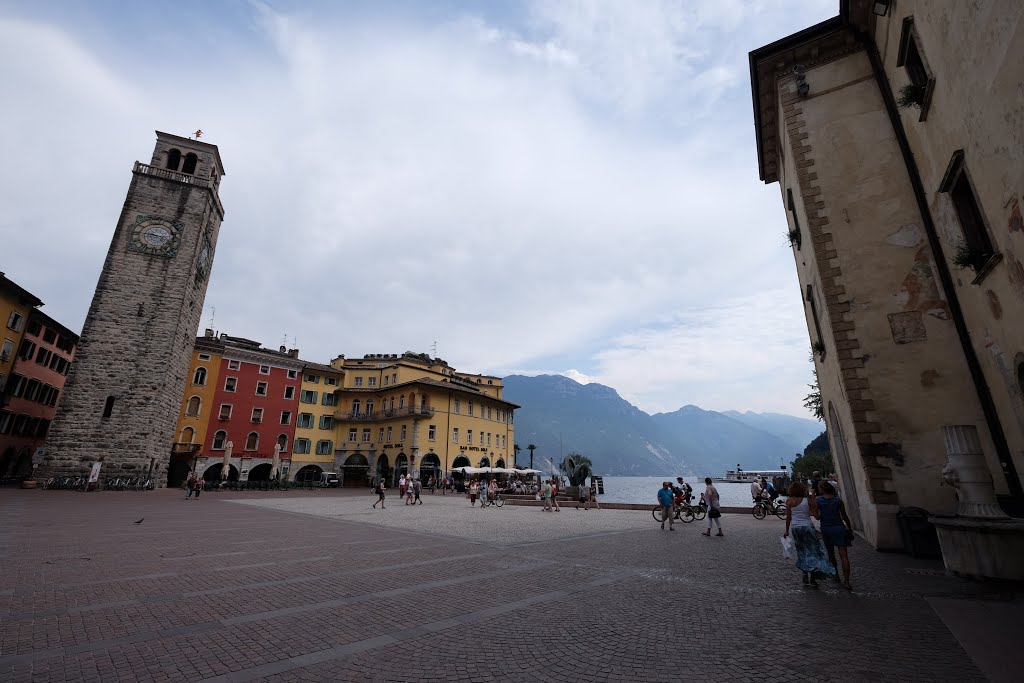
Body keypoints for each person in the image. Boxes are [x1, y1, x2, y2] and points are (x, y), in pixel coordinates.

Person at [783, 481, 835, 588]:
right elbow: (816, 516)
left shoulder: (789, 501)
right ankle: (813, 579)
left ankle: (805, 574)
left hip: (796, 528)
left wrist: (786, 530)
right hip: (807, 527)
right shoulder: (808, 501)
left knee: (802, 551)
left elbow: (788, 518)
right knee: (813, 552)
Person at [815, 481, 854, 590]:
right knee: (844, 556)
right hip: (839, 527)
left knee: (831, 554)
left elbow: (817, 517)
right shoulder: (838, 500)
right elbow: (844, 516)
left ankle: (836, 575)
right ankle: (846, 581)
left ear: (822, 489)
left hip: (826, 528)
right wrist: (850, 528)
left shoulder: (819, 500)